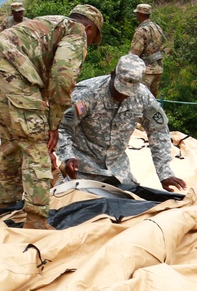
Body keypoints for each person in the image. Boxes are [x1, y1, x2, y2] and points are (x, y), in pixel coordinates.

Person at [0, 4, 103, 229]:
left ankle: (7, 204)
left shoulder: (49, 23)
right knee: (36, 145)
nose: (88, 45)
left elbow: (39, 73)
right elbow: (63, 76)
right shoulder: (76, 31)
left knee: (12, 139)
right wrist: (52, 125)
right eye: (92, 40)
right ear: (89, 28)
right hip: (8, 69)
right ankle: (36, 220)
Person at [56, 54, 186, 192]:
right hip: (83, 170)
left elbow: (158, 131)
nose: (123, 96)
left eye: (128, 93)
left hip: (118, 172)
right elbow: (63, 127)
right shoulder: (87, 94)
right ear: (113, 74)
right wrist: (67, 156)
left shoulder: (143, 97)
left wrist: (164, 172)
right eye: (120, 91)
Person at [129, 3, 166, 96]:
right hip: (158, 68)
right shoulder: (157, 27)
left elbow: (134, 53)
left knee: (141, 99)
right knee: (152, 100)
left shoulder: (141, 30)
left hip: (146, 71)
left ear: (140, 14)